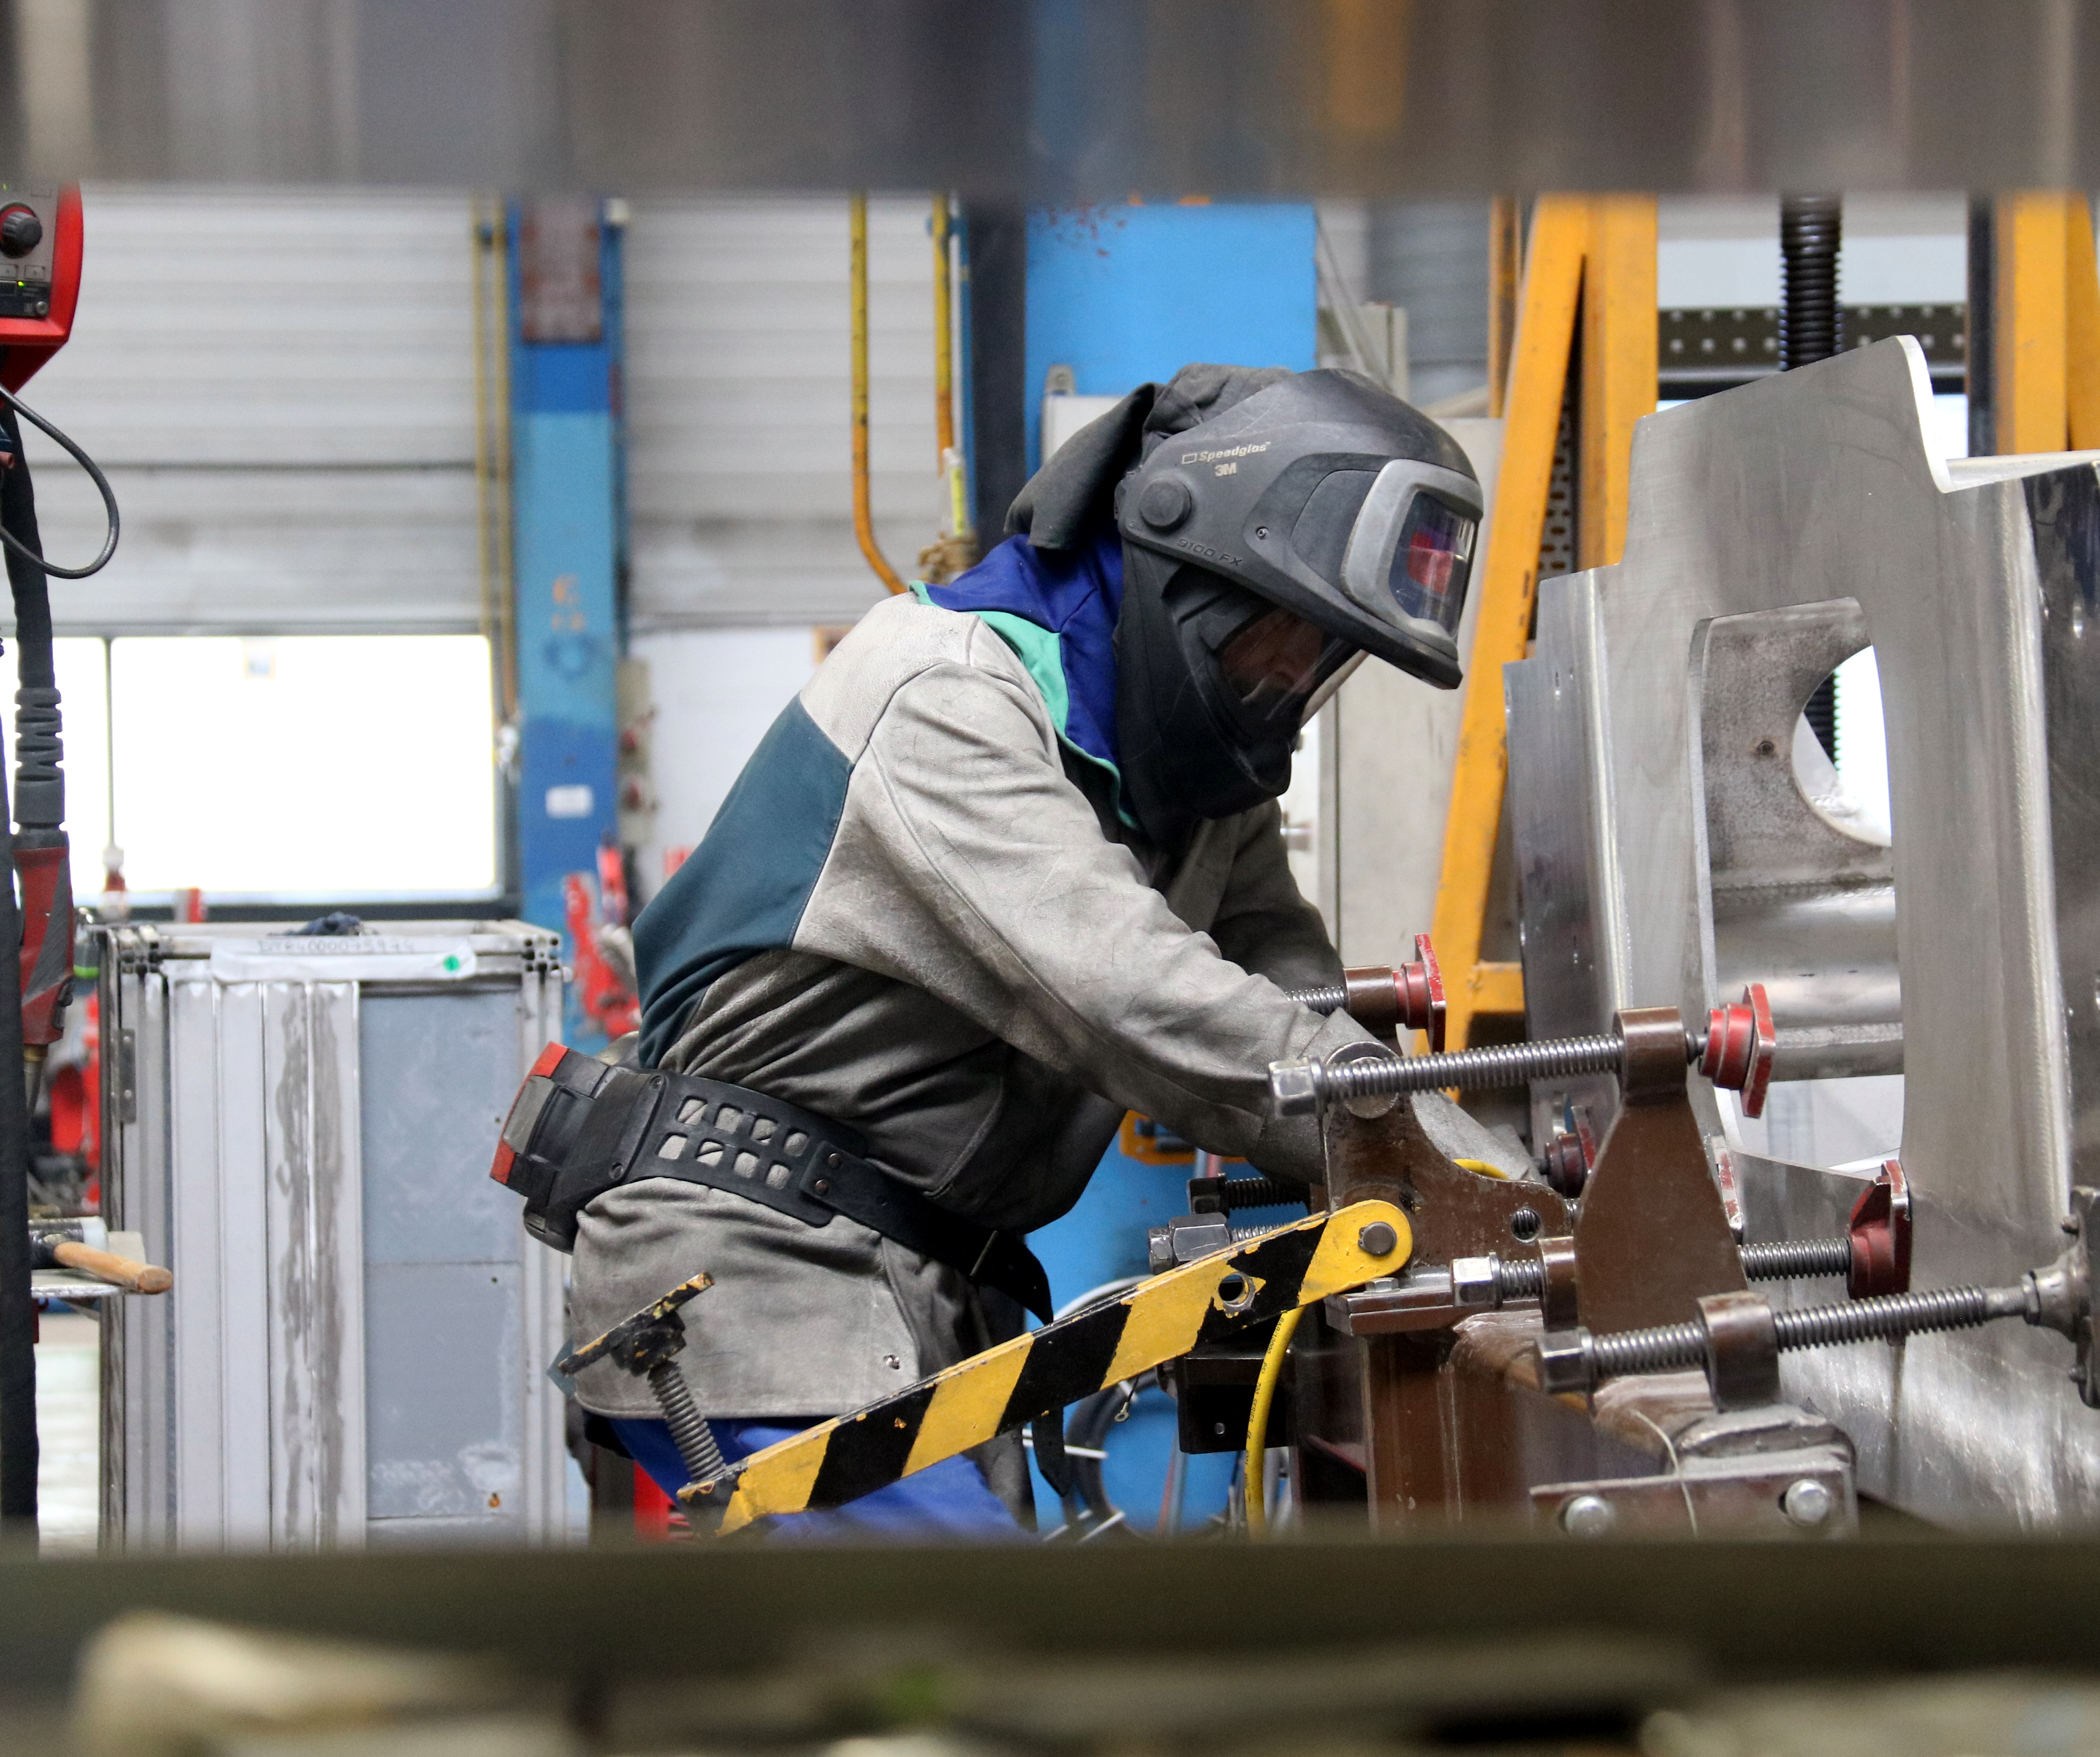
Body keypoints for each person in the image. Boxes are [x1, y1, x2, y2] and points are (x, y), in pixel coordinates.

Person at [531, 363, 1521, 1533]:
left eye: (1321, 663)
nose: (1288, 683)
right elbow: (1136, 995)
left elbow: (1284, 990)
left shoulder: (1196, 779)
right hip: (758, 1278)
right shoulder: (939, 695)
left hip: (914, 1292)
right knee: (971, 1645)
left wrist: (1459, 1155)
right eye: (1284, 639)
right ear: (1188, 575)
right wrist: (1492, 1195)